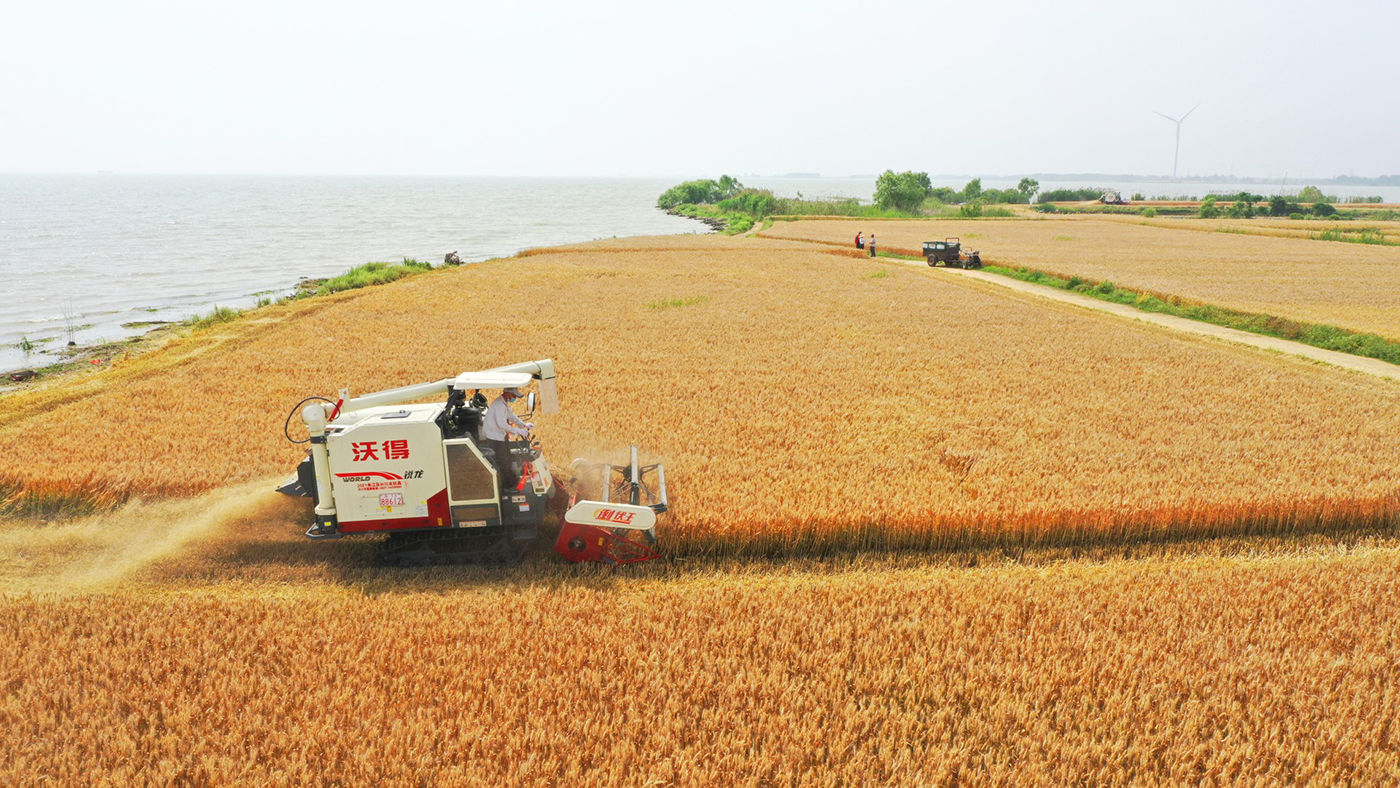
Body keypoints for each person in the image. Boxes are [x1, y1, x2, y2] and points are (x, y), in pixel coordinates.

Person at [483, 387, 533, 490]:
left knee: (508, 459)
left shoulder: (504, 403)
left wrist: (524, 425)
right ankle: (507, 486)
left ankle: (512, 482)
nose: (514, 398)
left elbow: (511, 416)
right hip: (495, 438)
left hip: (500, 436)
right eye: (514, 396)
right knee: (504, 462)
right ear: (508, 393)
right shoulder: (499, 406)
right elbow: (502, 424)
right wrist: (518, 431)